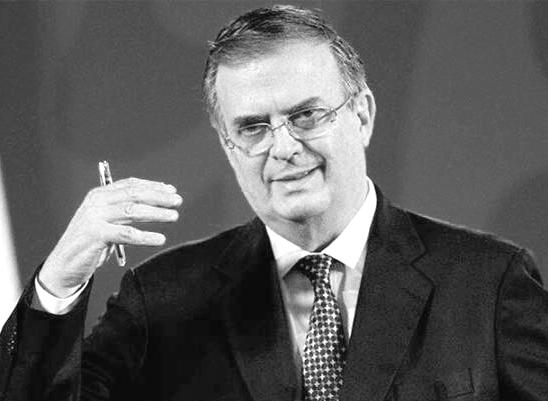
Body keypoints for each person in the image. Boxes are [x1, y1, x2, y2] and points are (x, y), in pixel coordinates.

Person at [1, 4, 548, 401]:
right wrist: (59, 281)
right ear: (227, 145)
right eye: (253, 127)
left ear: (362, 114)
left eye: (306, 115)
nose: (283, 148)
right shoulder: (163, 301)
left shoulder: (489, 283)